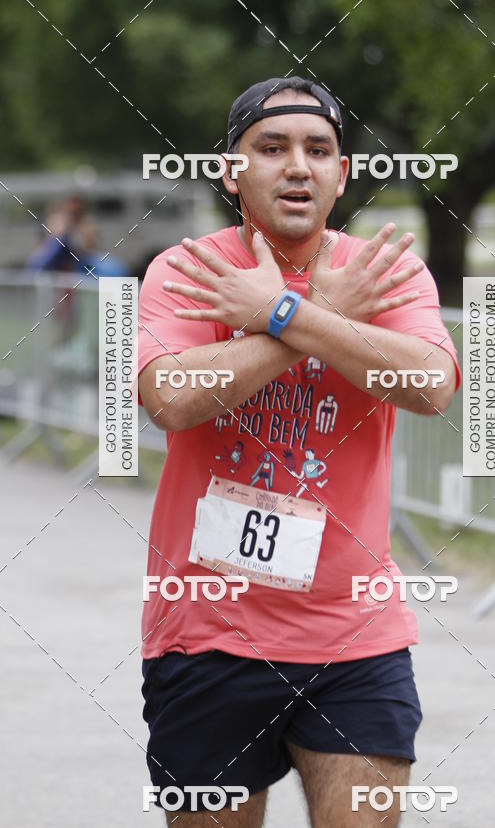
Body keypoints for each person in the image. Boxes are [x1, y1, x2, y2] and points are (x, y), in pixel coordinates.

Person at [137, 76, 461, 826]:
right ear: (230, 168)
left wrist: (283, 311)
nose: (298, 166)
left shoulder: (383, 270)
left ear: (342, 174)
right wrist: (311, 322)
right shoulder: (188, 271)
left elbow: (431, 384)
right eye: (272, 147)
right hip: (206, 629)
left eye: (319, 150)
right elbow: (171, 398)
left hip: (357, 634)